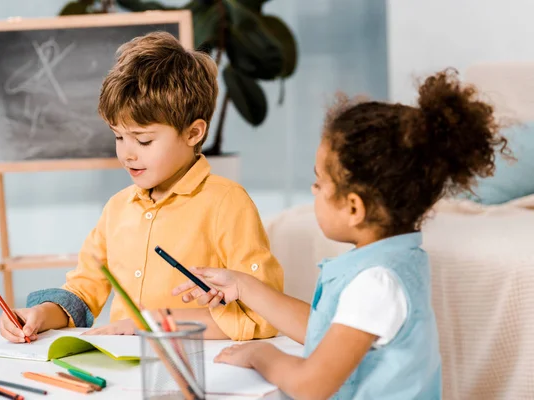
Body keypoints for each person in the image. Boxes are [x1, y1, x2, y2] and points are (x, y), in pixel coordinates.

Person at [173, 69, 509, 399]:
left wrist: (259, 355)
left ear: (353, 208)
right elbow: (323, 330)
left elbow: (311, 386)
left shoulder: (376, 283)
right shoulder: (392, 261)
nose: (312, 190)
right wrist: (243, 286)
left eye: (319, 183)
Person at [0, 31, 283, 343]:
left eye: (143, 140)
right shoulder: (118, 209)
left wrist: (149, 323)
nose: (127, 153)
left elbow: (262, 314)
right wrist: (41, 314)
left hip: (199, 370)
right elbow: (82, 291)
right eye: (119, 137)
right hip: (127, 371)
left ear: (193, 133)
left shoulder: (227, 203)